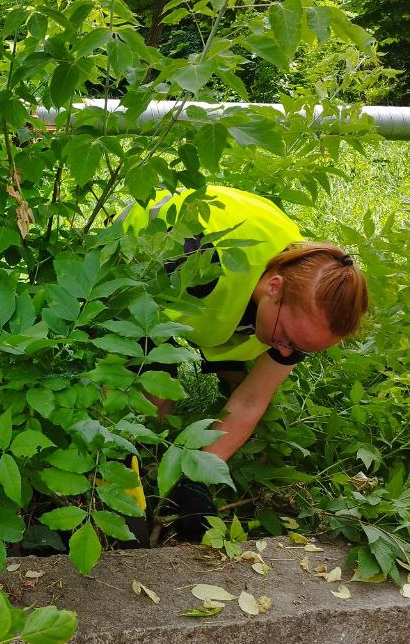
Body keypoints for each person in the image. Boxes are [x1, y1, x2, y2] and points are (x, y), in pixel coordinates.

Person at [125, 185, 369, 538]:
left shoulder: (306, 297)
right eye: (287, 338)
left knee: (240, 381)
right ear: (274, 287)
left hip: (224, 294)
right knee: (157, 397)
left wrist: (197, 479)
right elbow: (127, 328)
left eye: (302, 348)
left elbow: (253, 399)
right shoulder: (198, 266)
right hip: (138, 268)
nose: (287, 352)